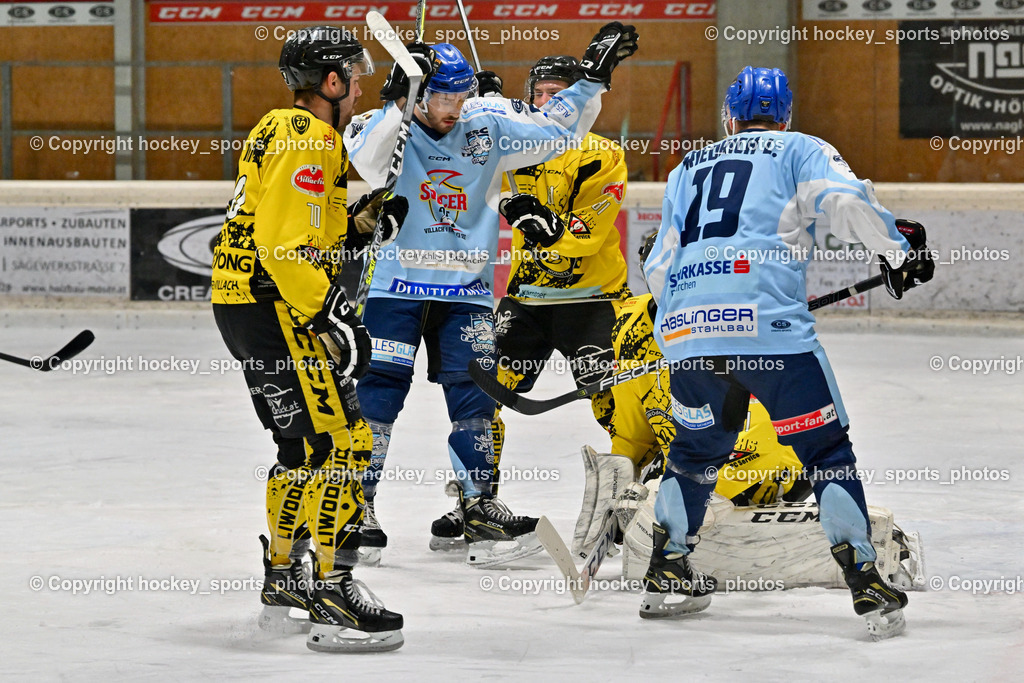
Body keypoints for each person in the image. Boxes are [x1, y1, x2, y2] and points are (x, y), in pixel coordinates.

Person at [641, 66, 933, 639]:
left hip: (689, 336)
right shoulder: (800, 148)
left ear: (730, 117)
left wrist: (685, 323)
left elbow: (658, 262)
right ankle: (866, 581)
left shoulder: (686, 168)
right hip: (770, 337)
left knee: (693, 455)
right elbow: (847, 202)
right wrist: (898, 252)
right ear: (786, 115)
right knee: (825, 451)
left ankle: (667, 569)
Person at [343, 25, 639, 568]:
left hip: (468, 292)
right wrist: (397, 103)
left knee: (476, 396)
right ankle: (356, 509)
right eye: (442, 97)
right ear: (417, 93)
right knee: (379, 395)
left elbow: (555, 131)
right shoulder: (381, 124)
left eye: (460, 96)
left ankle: (478, 505)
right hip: (395, 287)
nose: (454, 108)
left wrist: (592, 80)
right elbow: (365, 161)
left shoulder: (487, 127)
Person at [211, 25, 409, 653]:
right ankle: (330, 585)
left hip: (246, 304)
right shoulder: (308, 136)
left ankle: (282, 577)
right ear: (331, 82)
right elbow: (284, 245)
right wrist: (333, 313)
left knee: (300, 448)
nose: (360, 84)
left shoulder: (278, 128)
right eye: (354, 73)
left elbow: (296, 222)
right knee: (341, 441)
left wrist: (358, 227)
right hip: (277, 308)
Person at [428, 55, 634, 552]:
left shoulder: (601, 154)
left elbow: (589, 233)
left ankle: (640, 501)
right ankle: (476, 501)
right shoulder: (511, 146)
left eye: (558, 93)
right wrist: (475, 108)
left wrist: (552, 228)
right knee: (481, 397)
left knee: (619, 404)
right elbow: (456, 168)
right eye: (539, 93)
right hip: (526, 302)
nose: (547, 103)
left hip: (595, 301)